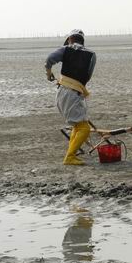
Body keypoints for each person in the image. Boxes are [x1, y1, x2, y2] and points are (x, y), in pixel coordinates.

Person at [45, 29, 96, 165]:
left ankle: (70, 155)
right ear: (82, 41)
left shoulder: (65, 49)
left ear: (69, 40)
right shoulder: (91, 55)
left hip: (63, 91)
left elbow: (49, 59)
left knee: (78, 126)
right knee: (84, 128)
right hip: (74, 93)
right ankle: (69, 157)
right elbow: (88, 75)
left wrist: (49, 72)